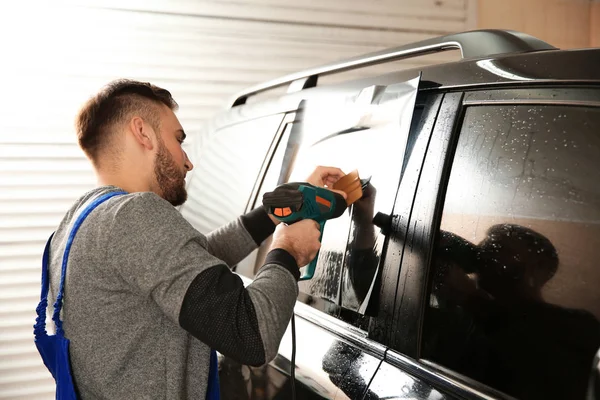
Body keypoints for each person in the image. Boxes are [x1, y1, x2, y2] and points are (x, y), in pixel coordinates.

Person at [42, 79, 347, 399]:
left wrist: (271, 215)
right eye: (178, 139)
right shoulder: (135, 215)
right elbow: (251, 336)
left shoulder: (76, 224)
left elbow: (187, 265)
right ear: (142, 132)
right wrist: (287, 251)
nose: (188, 161)